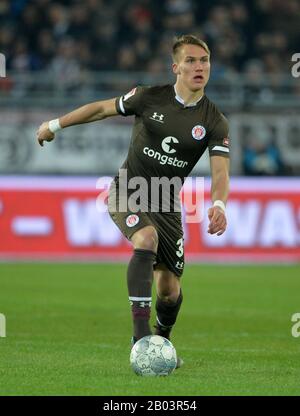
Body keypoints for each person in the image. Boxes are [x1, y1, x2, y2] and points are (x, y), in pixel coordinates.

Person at [37, 34, 230, 369]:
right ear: (176, 67)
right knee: (146, 238)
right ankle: (140, 339)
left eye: (204, 61)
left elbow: (220, 172)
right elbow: (100, 109)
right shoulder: (147, 97)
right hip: (128, 188)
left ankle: (161, 339)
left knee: (169, 290)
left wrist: (219, 205)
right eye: (191, 61)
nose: (199, 67)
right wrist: (54, 124)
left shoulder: (214, 120)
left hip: (167, 201)